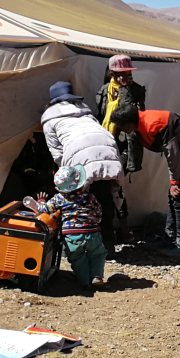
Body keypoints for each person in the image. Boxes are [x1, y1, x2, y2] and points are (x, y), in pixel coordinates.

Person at [41, 81, 125, 252]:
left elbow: (57, 153)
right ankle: (108, 245)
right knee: (104, 199)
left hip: (80, 156)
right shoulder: (86, 113)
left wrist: (65, 178)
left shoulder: (50, 120)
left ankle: (81, 247)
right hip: (109, 150)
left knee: (79, 204)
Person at [111, 104, 180, 251]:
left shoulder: (153, 124)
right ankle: (169, 237)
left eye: (120, 126)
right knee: (173, 195)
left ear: (128, 124)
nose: (121, 130)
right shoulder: (141, 124)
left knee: (178, 194)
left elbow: (172, 153)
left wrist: (175, 182)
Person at [47, 164, 108, 288]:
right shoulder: (89, 197)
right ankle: (96, 276)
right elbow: (98, 210)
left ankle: (84, 282)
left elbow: (45, 209)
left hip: (71, 235)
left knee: (77, 258)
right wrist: (97, 221)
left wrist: (40, 202)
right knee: (97, 253)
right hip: (92, 232)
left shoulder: (59, 199)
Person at [96, 54, 147, 180]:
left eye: (128, 73)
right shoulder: (105, 90)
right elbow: (102, 113)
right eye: (122, 74)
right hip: (108, 140)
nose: (126, 77)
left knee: (118, 176)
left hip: (126, 144)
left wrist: (124, 89)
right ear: (112, 74)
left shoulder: (136, 91)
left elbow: (129, 114)